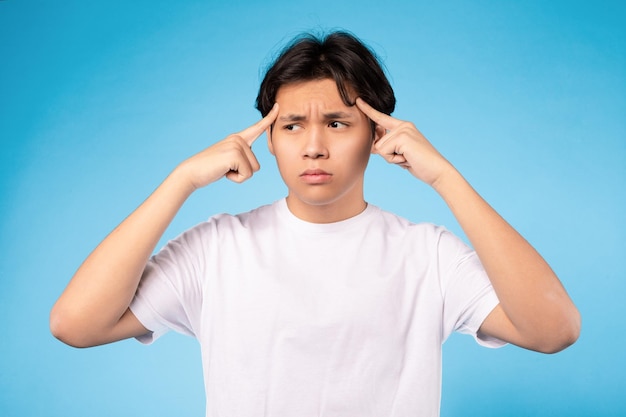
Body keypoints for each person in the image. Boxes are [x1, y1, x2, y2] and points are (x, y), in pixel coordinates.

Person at [50, 31, 580, 416]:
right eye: (292, 125)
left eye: (337, 123)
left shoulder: (427, 256)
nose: (313, 147)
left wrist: (446, 179)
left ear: (377, 134)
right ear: (269, 138)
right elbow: (76, 325)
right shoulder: (219, 248)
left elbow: (553, 330)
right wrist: (180, 181)